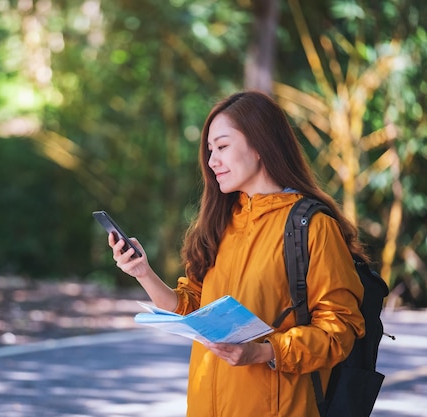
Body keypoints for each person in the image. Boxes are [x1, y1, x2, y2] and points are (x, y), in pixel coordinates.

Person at [108, 90, 366, 416]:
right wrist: (142, 272)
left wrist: (262, 352)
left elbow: (339, 332)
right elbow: (191, 308)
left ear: (260, 146)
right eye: (210, 150)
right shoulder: (221, 223)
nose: (212, 160)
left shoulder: (311, 226)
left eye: (223, 146)